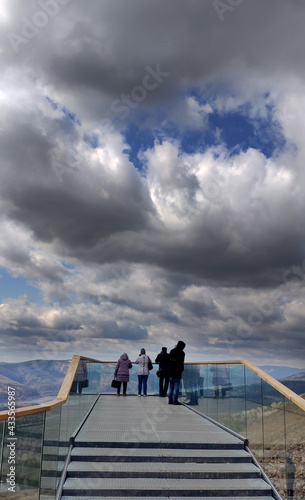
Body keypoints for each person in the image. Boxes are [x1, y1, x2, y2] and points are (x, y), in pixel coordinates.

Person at [168, 341, 186, 405]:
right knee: (176, 386)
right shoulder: (182, 353)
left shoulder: (172, 351)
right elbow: (181, 363)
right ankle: (175, 400)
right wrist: (181, 369)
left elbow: (169, 361)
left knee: (171, 386)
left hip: (171, 371)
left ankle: (170, 400)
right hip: (177, 372)